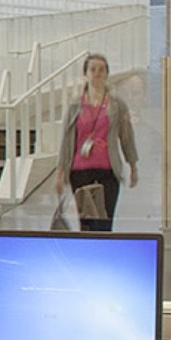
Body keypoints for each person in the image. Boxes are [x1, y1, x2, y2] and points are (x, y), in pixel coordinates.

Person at [55, 53, 138, 232]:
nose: (97, 74)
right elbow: (66, 141)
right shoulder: (75, 106)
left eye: (101, 70)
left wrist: (133, 166)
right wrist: (60, 174)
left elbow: (126, 136)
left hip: (108, 170)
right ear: (85, 73)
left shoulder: (117, 105)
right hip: (80, 171)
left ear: (107, 73)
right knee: (87, 223)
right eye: (93, 69)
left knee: (105, 221)